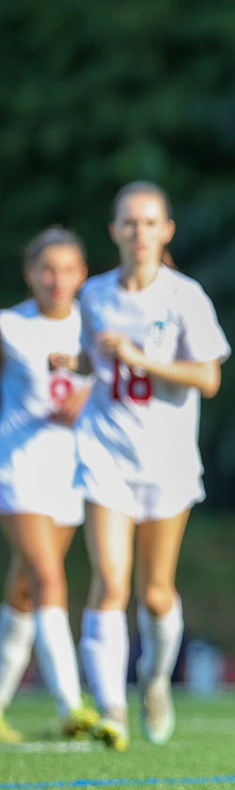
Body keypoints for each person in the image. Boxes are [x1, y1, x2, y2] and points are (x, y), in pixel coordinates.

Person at [53, 183, 230, 751]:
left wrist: (140, 359)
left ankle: (154, 681)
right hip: (105, 453)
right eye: (128, 224)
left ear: (166, 230)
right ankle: (111, 710)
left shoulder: (185, 297)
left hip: (168, 461)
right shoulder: (95, 294)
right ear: (114, 232)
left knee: (155, 593)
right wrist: (77, 363)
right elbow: (91, 359)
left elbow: (208, 378)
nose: (138, 233)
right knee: (110, 583)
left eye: (149, 223)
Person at [0, 229, 96, 742]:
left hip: (73, 475)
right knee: (49, 580)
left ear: (82, 274)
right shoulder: (11, 327)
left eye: (67, 270)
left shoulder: (95, 327)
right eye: (46, 270)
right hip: (16, 473)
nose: (57, 281)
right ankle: (70, 704)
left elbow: (113, 382)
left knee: (24, 590)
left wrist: (91, 397)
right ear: (29, 273)